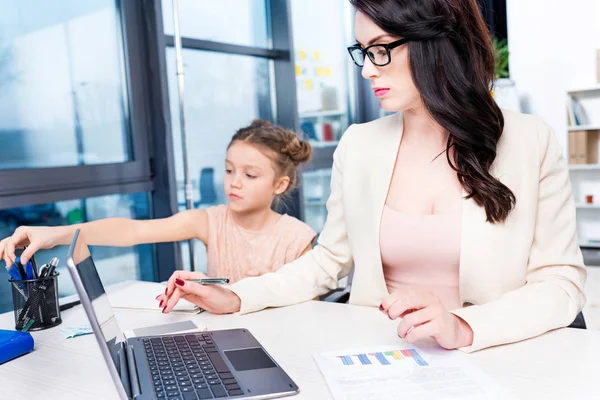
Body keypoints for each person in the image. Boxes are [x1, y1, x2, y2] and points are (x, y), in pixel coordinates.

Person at [156, 0, 587, 353]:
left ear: (435, 42)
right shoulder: (359, 144)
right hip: (378, 357)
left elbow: (560, 282)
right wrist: (237, 296)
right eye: (363, 51)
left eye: (381, 49)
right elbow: (329, 260)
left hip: (497, 356)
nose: (367, 69)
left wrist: (463, 325)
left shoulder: (530, 140)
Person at [0, 120, 316, 305]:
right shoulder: (210, 221)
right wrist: (57, 234)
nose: (234, 183)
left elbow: (311, 309)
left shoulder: (297, 237)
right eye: (229, 170)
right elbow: (132, 230)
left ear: (280, 184)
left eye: (250, 175)